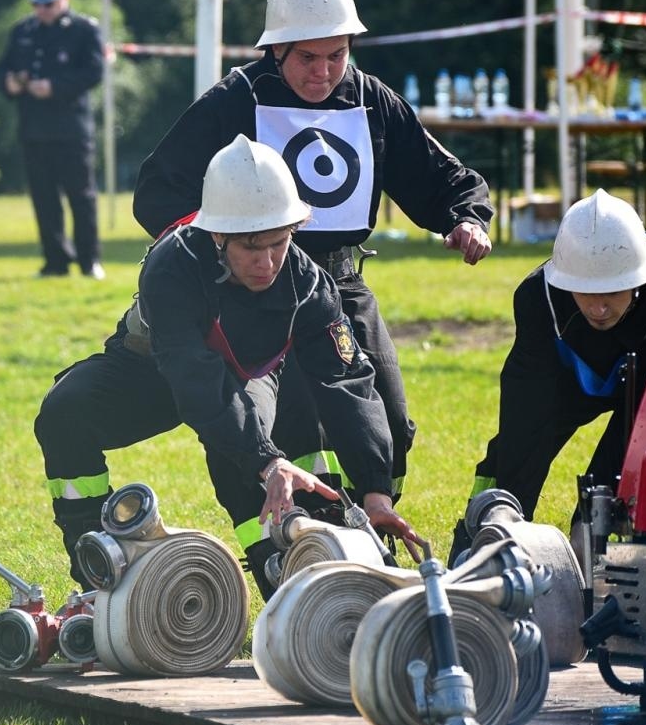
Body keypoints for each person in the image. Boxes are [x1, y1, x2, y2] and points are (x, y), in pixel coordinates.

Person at [133, 0, 493, 508]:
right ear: (276, 50)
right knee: (302, 431)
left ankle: (376, 526)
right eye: (307, 57)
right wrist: (217, 257)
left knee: (389, 421)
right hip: (260, 289)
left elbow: (437, 175)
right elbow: (160, 189)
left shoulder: (372, 99)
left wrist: (465, 216)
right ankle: (309, 545)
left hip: (344, 283)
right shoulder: (237, 99)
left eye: (337, 55)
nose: (324, 72)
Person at [36, 136, 419, 597]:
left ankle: (289, 586)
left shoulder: (308, 283)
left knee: (243, 450)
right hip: (154, 369)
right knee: (65, 411)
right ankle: (98, 578)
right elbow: (195, 378)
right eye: (251, 248)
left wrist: (376, 489)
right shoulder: (170, 265)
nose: (267, 262)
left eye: (278, 243)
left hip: (246, 376)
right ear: (217, 236)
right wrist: (267, 459)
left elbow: (346, 382)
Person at [452, 190, 646, 555]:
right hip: (571, 373)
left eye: (613, 291)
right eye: (585, 292)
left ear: (639, 280)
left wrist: (588, 523)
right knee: (513, 452)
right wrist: (500, 522)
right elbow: (523, 416)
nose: (600, 307)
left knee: (621, 478)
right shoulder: (537, 298)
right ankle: (477, 544)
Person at [0, 0, 106, 279]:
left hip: (71, 129)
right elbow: (3, 69)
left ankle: (89, 260)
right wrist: (11, 83)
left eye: (49, 3)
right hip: (33, 128)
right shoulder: (22, 31)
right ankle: (55, 260)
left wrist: (55, 87)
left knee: (81, 197)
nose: (42, 10)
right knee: (44, 199)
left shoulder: (84, 30)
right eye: (36, 3)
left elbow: (93, 72)